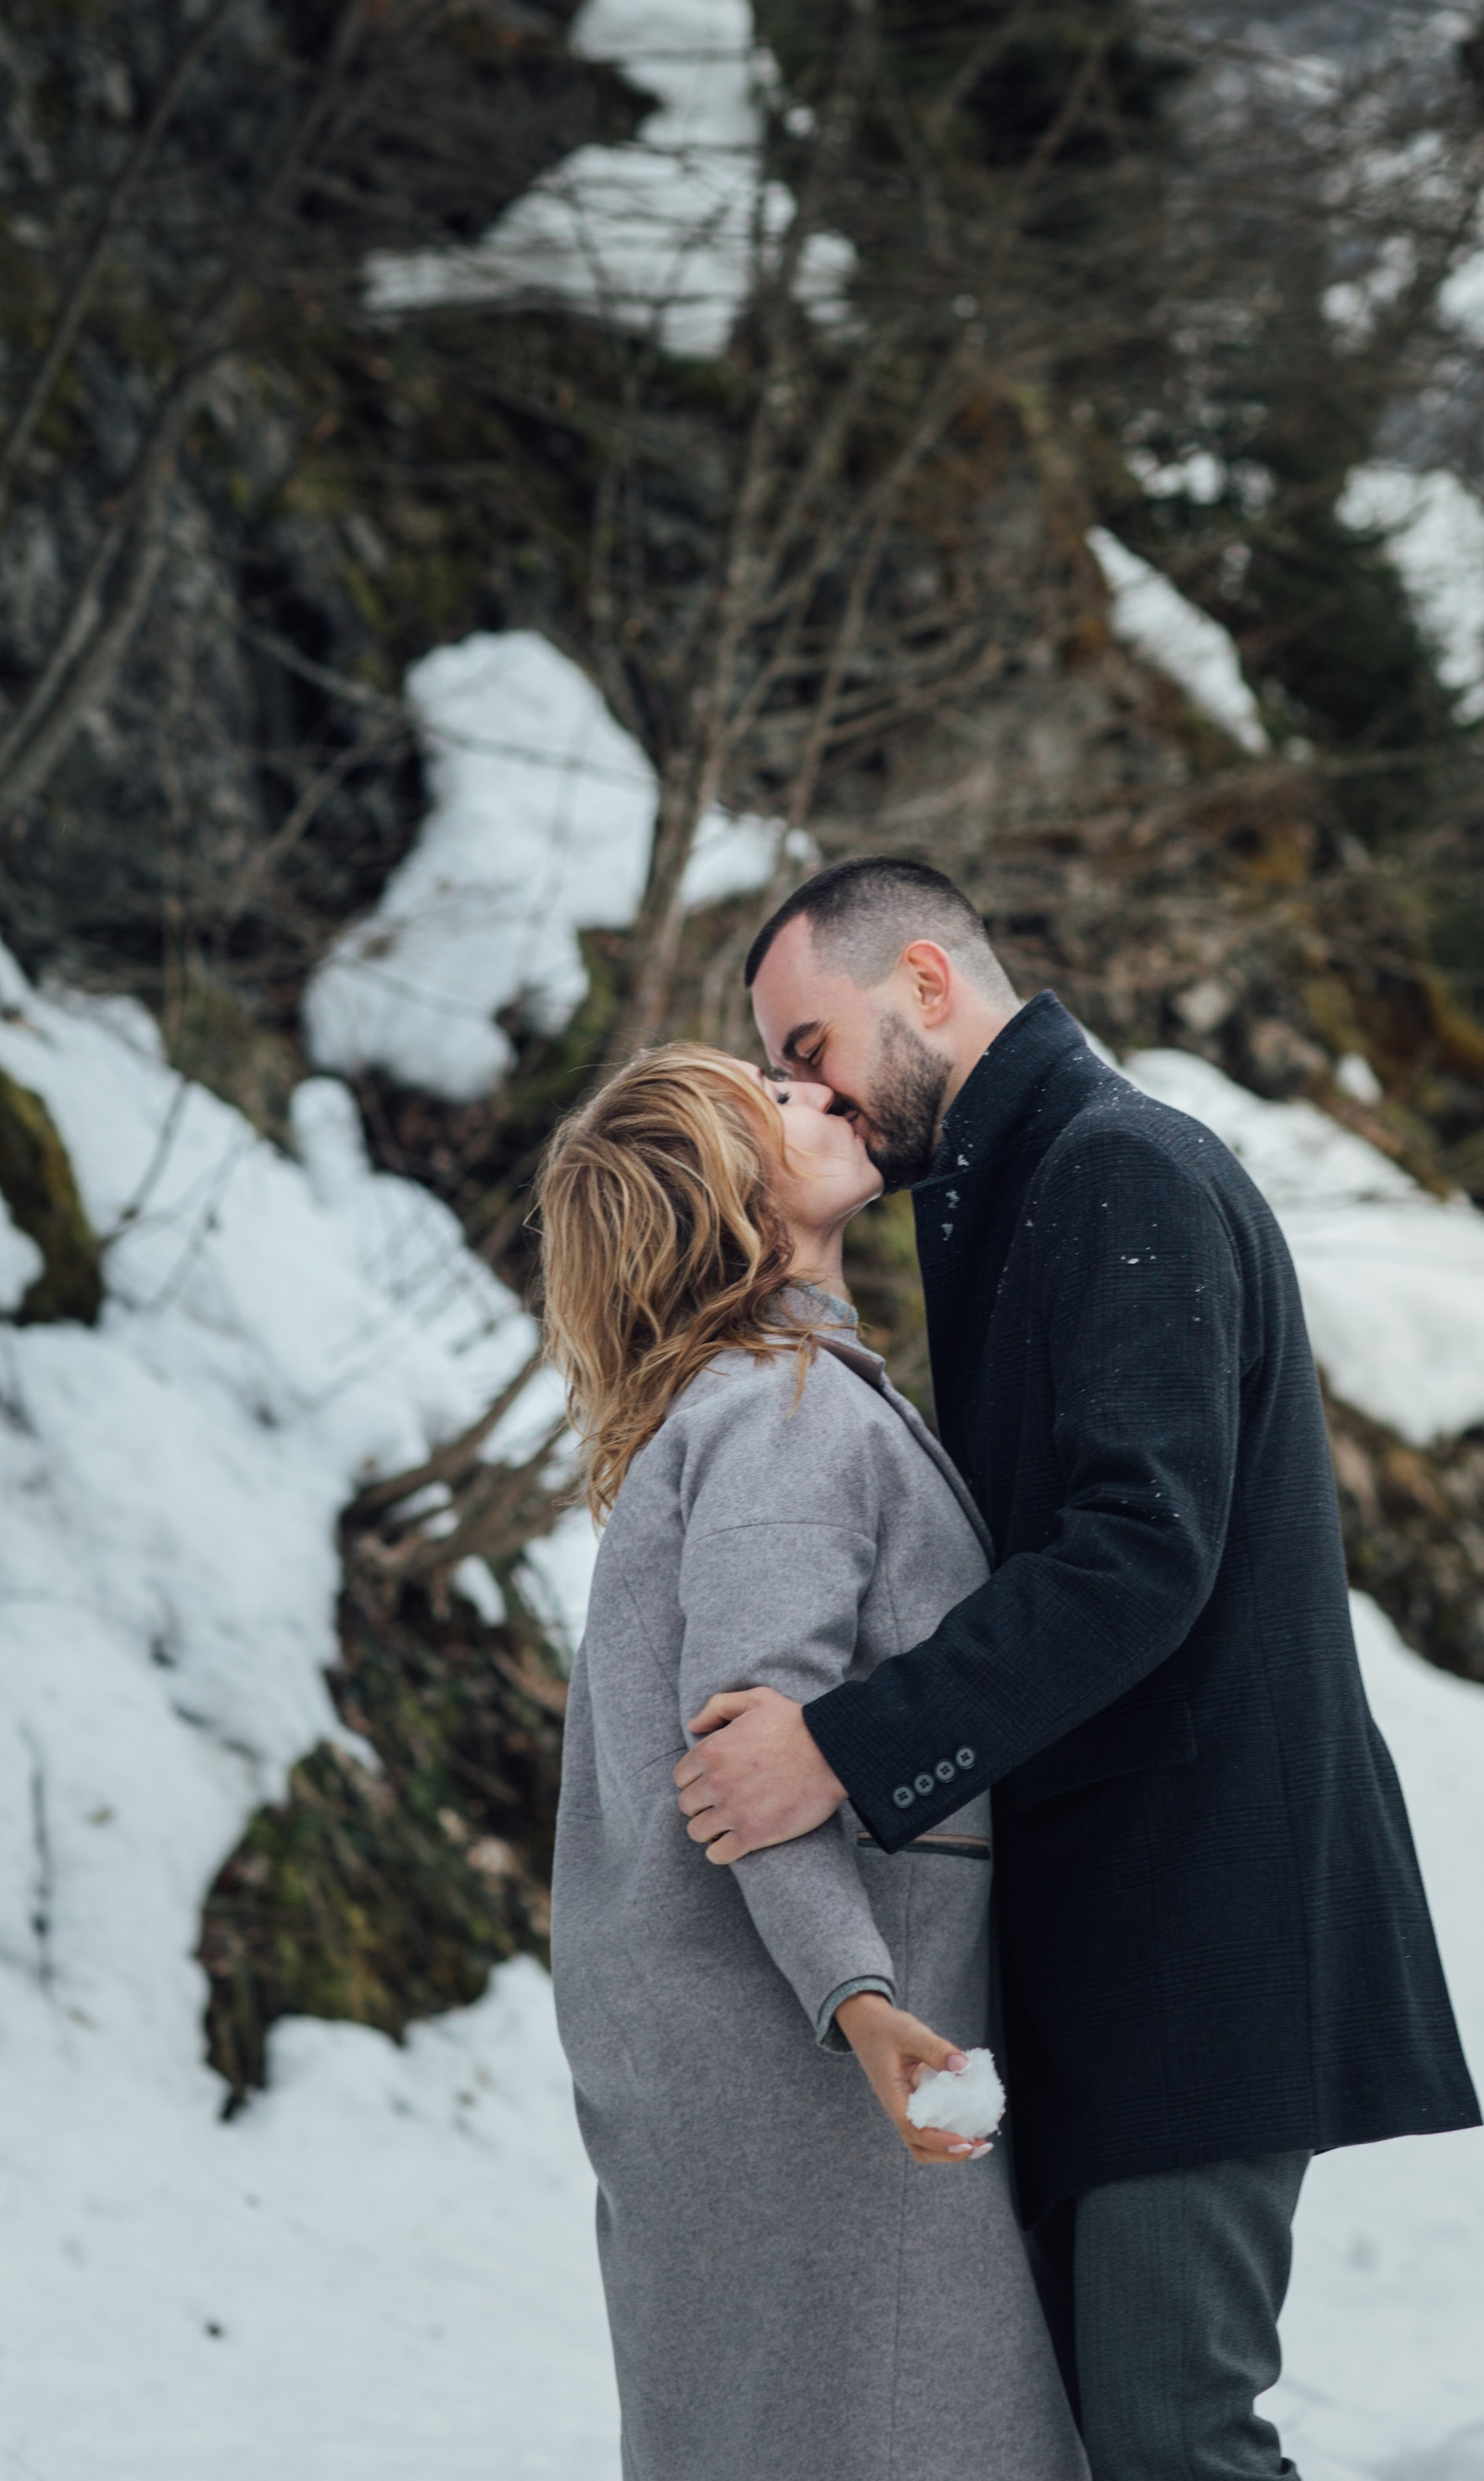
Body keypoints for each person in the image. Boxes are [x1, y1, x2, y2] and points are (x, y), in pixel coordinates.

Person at [673, 857, 1481, 2481]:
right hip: (1122, 1949)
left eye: (810, 1043)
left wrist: (842, 1746)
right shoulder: (1012, 1193)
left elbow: (1140, 1554)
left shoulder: (1119, 1172)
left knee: (1176, 2441)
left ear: (923, 980)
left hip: (1204, 1935)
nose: (802, 1088)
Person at [540, 1043, 1085, 2481]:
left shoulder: (748, 1407)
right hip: (823, 2080)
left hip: (752, 2067)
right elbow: (749, 1753)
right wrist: (864, 2004)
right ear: (718, 1200)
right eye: (765, 1103)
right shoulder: (783, 1413)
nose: (819, 1095)